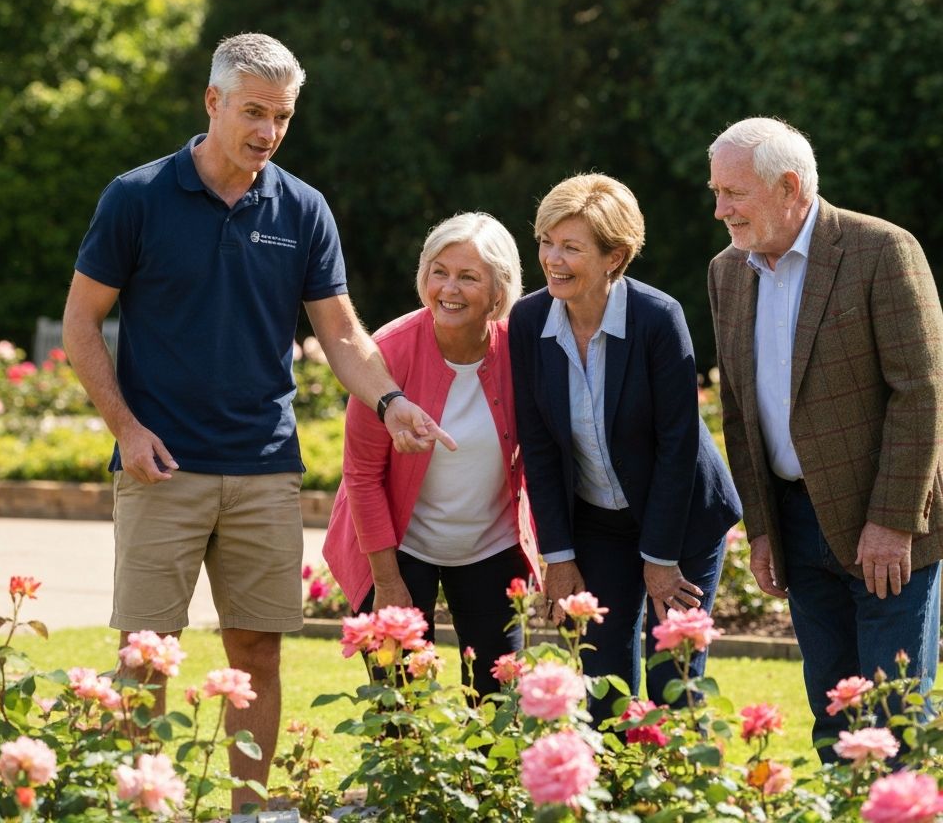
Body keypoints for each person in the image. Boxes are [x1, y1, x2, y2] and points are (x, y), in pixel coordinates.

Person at [61, 32, 453, 811]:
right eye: (253, 112)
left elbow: (340, 332)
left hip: (264, 470)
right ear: (212, 103)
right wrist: (127, 431)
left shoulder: (302, 208)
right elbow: (81, 324)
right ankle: (144, 806)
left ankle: (247, 815)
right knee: (146, 659)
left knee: (257, 655)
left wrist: (392, 399)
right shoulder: (136, 197)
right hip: (159, 468)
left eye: (281, 116)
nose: (267, 131)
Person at [707, 116, 943, 759]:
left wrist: (893, 521)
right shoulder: (727, 271)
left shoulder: (882, 250)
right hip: (794, 526)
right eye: (716, 193)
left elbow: (921, 393)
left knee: (895, 722)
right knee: (833, 722)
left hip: (883, 527)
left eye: (733, 193)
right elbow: (737, 408)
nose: (721, 210)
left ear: (788, 187)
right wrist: (760, 529)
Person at [509, 174, 740, 726]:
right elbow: (537, 446)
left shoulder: (658, 318)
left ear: (615, 256)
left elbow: (678, 445)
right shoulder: (527, 319)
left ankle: (675, 802)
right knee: (601, 679)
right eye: (546, 242)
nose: (552, 259)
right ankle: (614, 802)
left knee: (673, 676)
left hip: (683, 520)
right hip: (597, 523)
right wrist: (559, 556)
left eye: (571, 247)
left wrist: (660, 559)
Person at [323, 212, 541, 697]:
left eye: (468, 277)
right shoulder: (385, 353)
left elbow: (546, 456)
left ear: (499, 289)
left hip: (490, 546)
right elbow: (361, 474)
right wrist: (388, 580)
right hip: (397, 549)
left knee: (500, 704)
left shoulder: (521, 352)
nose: (449, 288)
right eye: (439, 271)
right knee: (400, 708)